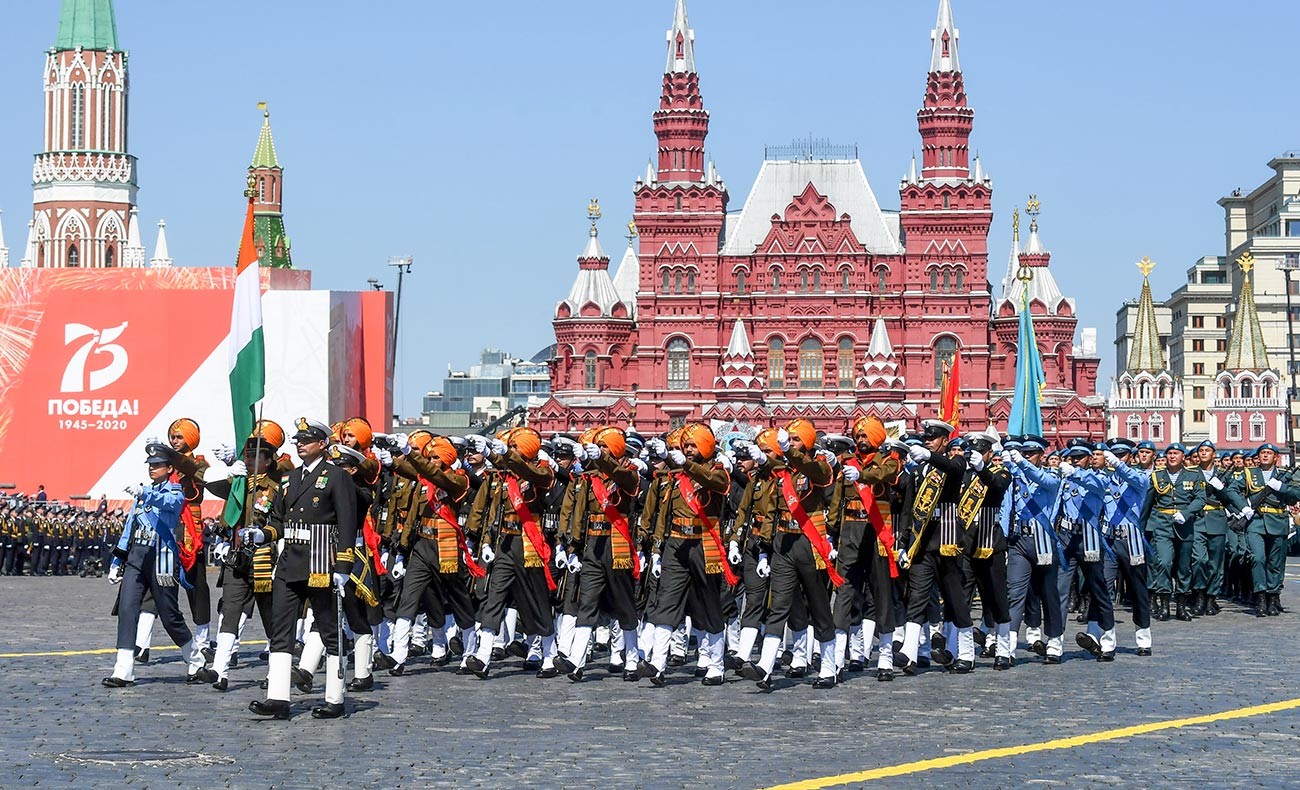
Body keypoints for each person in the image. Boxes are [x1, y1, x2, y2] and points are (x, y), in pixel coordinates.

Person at [248, 418, 359, 720]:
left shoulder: (336, 477)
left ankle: (335, 699)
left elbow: (348, 522)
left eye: (306, 439)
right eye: (298, 439)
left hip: (321, 561)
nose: (300, 443)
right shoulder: (291, 479)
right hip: (290, 563)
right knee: (281, 631)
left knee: (329, 629)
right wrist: (263, 534)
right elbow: (280, 521)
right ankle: (278, 697)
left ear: (322, 444)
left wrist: (345, 564)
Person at [102, 443, 214, 687]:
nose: (152, 469)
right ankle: (123, 669)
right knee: (127, 608)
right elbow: (129, 528)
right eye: (150, 465)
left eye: (157, 465)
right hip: (137, 557)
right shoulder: (144, 493)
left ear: (169, 468)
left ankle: (195, 660)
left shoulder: (175, 490)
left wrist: (144, 493)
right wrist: (117, 560)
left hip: (162, 557)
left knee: (169, 615)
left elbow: (170, 504)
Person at [205, 420, 285, 691]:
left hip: (264, 558)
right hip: (237, 556)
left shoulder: (275, 486)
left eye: (255, 456)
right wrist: (230, 469)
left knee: (270, 617)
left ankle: (276, 672)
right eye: (247, 456)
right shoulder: (239, 482)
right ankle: (220, 669)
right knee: (229, 611)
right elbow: (212, 487)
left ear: (268, 459)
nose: (249, 460)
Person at [1141, 443, 1206, 622]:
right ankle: (1163, 606)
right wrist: (1141, 527)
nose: (1172, 456)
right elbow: (1147, 504)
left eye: (1175, 453)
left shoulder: (1194, 475)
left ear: (1183, 457)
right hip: (1162, 525)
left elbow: (1201, 499)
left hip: (1185, 526)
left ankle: (1181, 605)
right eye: (1169, 453)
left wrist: (1186, 513)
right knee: (1164, 563)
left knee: (1184, 567)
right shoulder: (1157, 476)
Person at [1234, 444, 1300, 616]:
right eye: (1262, 453)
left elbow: (1296, 494)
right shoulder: (1249, 473)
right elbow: (1232, 490)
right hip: (1256, 521)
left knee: (1276, 562)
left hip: (1278, 521)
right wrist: (1243, 507)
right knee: (1257, 558)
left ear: (1276, 457)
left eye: (1268, 453)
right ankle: (1261, 596)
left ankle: (1273, 596)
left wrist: (1282, 488)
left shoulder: (1284, 475)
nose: (1265, 456)